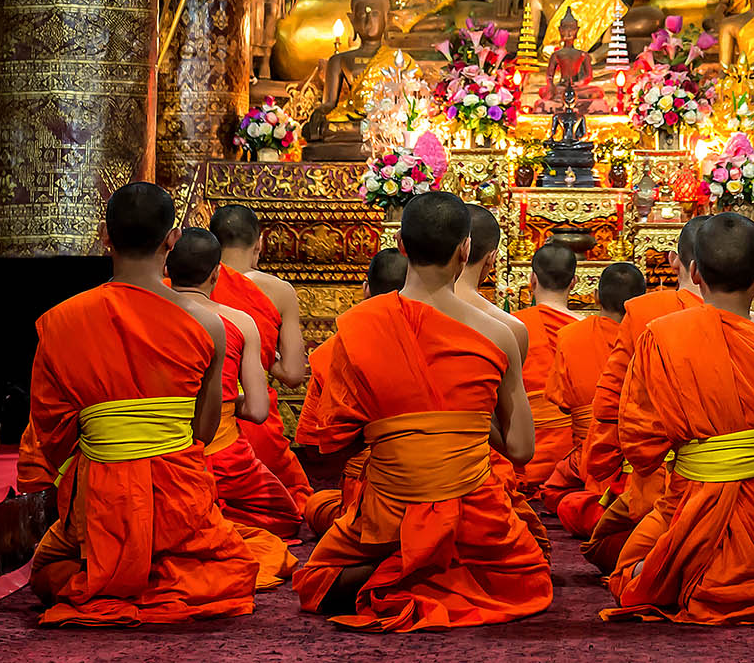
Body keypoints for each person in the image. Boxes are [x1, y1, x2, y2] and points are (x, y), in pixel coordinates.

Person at [292, 192, 553, 630]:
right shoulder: (498, 334)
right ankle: (435, 569)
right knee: (529, 574)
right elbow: (522, 449)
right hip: (473, 512)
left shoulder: (358, 327)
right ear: (465, 250)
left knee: (316, 580)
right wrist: (465, 418)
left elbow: (332, 442)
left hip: (386, 514)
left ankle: (400, 570)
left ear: (401, 244)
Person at [26, 183, 265, 625]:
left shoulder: (62, 320)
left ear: (104, 236)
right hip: (180, 493)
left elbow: (51, 431)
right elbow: (205, 430)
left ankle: (112, 574)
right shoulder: (209, 324)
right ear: (171, 241)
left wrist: (110, 450)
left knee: (46, 575)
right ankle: (157, 575)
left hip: (101, 498)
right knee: (233, 572)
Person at [602, 212, 754, 625]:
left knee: (629, 572)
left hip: (688, 497)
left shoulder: (660, 338)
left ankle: (676, 563)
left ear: (694, 272)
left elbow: (641, 445)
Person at [164, 229, 300, 581]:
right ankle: (214, 521)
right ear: (215, 274)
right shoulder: (238, 321)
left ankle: (198, 518)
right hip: (223, 453)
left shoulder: (144, 311)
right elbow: (257, 411)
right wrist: (226, 403)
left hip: (161, 453)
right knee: (285, 517)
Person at [582, 216, 710, 572]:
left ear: (676, 260)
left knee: (610, 548)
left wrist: (604, 465)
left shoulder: (644, 313)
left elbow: (611, 398)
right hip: (746, 480)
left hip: (659, 474)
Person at [451, 204, 551, 554]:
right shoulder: (506, 329)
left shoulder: (381, 317)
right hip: (477, 473)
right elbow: (519, 446)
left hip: (397, 478)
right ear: (491, 258)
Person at [208, 204, 314, 521]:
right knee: (294, 505)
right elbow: (294, 374)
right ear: (260, 243)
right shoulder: (279, 290)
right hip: (257, 421)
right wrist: (265, 359)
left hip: (205, 419)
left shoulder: (190, 283)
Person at [298, 248, 406, 538]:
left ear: (365, 288)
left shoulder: (335, 349)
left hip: (366, 492)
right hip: (434, 486)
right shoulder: (438, 335)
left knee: (317, 506)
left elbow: (314, 450)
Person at [544, 262, 646, 531]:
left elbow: (562, 401)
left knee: (555, 492)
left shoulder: (569, 336)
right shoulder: (652, 337)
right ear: (642, 301)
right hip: (642, 457)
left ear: (597, 297)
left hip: (588, 458)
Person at [513, 240, 582, 494]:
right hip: (575, 460)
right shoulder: (589, 330)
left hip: (523, 455)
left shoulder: (512, 326)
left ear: (531, 279)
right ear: (574, 283)